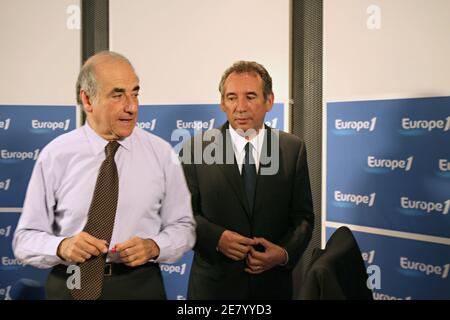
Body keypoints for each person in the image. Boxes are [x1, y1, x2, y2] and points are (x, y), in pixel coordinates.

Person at [13, 51, 196, 300]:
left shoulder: (162, 153)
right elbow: (25, 239)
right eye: (118, 95)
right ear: (87, 100)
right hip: (71, 283)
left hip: (140, 286)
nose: (131, 107)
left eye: (135, 93)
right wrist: (62, 246)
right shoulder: (56, 155)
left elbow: (184, 227)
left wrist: (154, 246)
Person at [181, 61, 314, 299]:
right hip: (213, 290)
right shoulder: (195, 149)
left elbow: (303, 218)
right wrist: (216, 239)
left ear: (269, 101)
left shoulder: (292, 149)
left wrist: (283, 253)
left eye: (250, 96)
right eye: (231, 97)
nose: (240, 107)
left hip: (272, 288)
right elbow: (182, 215)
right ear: (222, 103)